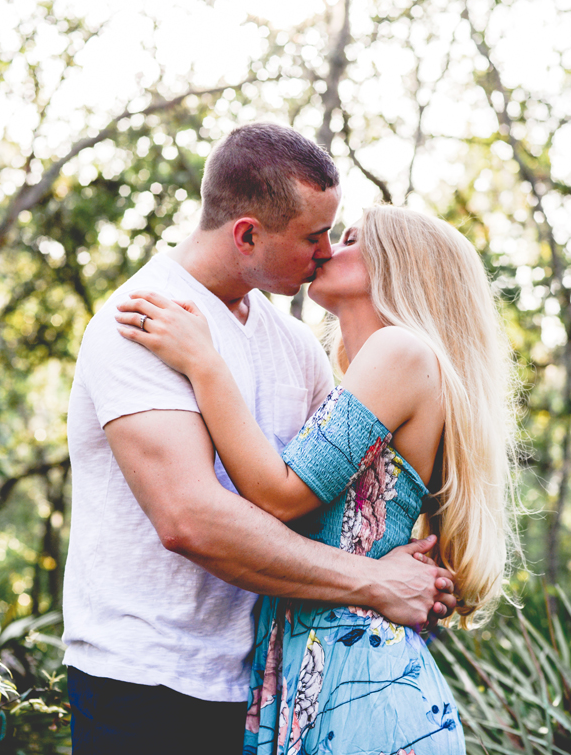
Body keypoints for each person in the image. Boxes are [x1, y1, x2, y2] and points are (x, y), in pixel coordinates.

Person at [62, 125, 457, 754]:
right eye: (312, 236)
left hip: (264, 693)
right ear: (246, 233)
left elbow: (320, 501)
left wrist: (400, 566)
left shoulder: (296, 346)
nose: (324, 252)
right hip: (147, 682)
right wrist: (372, 581)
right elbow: (189, 520)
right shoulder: (144, 319)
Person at [116, 205, 518, 755]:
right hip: (319, 668)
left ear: (399, 264)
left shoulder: (398, 352)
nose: (328, 248)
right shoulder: (374, 372)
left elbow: (279, 494)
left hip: (361, 683)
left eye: (351, 238)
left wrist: (202, 361)